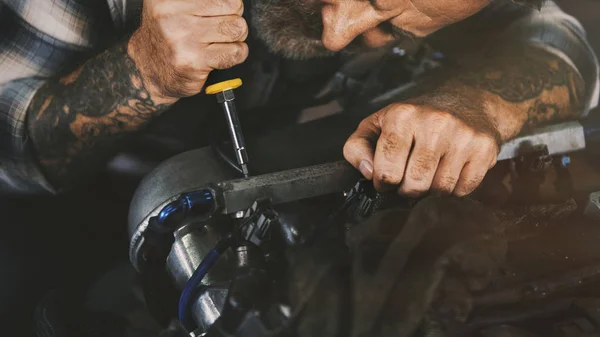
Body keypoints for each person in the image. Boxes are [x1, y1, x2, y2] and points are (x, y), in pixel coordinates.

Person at [0, 0, 598, 334]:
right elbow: (12, 159)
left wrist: (480, 104)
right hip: (75, 201)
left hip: (275, 180)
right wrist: (140, 70)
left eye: (386, 27)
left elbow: (554, 33)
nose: (337, 34)